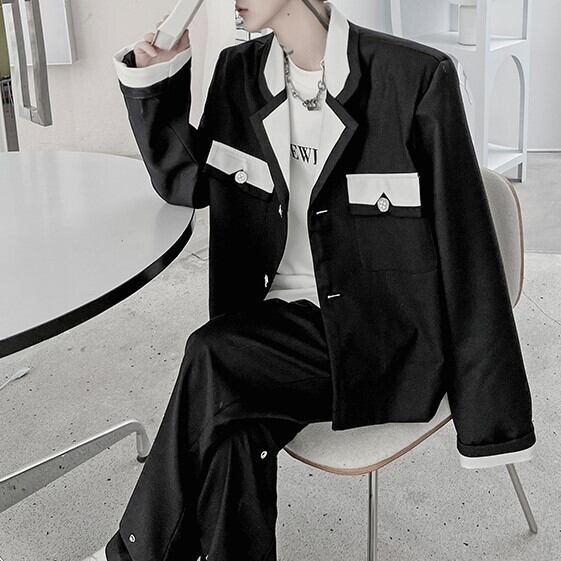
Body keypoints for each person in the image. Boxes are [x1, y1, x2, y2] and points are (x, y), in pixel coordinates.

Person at [84, 0, 536, 559]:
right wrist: (159, 78)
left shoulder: (414, 78)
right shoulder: (238, 73)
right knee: (235, 435)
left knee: (210, 354)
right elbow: (190, 183)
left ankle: (130, 554)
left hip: (378, 340)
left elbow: (468, 250)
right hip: (270, 330)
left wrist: (492, 417)